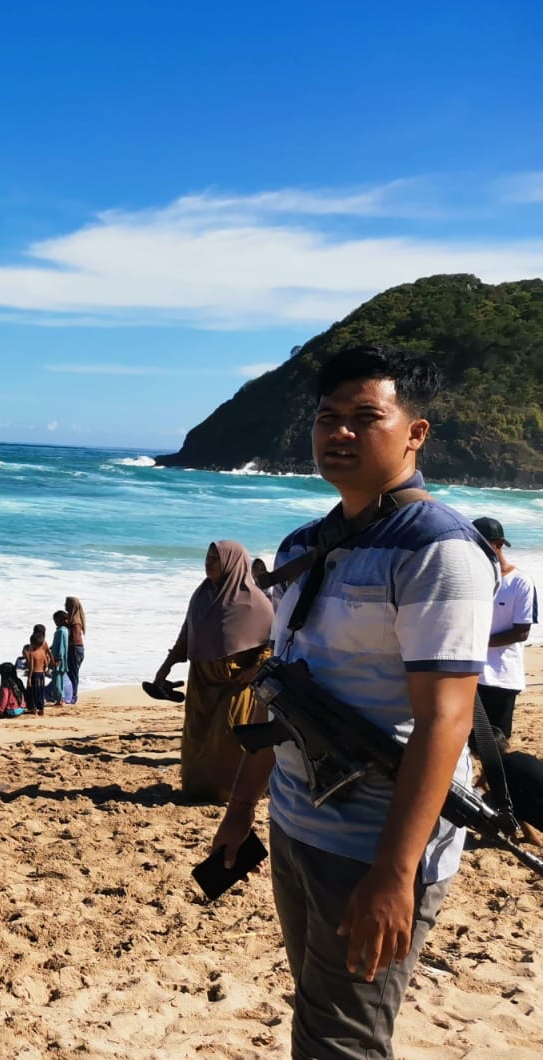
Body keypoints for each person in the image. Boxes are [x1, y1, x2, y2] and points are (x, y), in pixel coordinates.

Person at [211, 346, 498, 1060]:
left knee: (340, 1042)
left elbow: (445, 719)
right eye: (327, 417)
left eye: (365, 417)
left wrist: (395, 875)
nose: (339, 432)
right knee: (319, 1018)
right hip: (296, 823)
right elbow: (282, 692)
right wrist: (242, 810)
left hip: (375, 845)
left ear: (415, 433)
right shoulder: (305, 544)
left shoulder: (439, 551)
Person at [151, 541, 273, 803]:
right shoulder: (201, 595)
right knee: (197, 738)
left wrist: (255, 669)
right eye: (208, 557)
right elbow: (188, 633)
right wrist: (167, 665)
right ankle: (198, 790)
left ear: (232, 562)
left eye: (216, 558)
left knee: (227, 738)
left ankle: (229, 792)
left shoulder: (256, 602)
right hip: (201, 680)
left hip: (235, 683)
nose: (209, 562)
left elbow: (271, 644)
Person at [471, 517, 534, 740]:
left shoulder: (520, 582)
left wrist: (479, 643)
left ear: (498, 544)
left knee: (497, 743)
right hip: (470, 673)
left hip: (501, 676)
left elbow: (522, 631)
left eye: (478, 544)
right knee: (467, 741)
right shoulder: (472, 579)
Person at [22, 625, 52, 714]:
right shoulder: (43, 649)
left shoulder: (32, 654)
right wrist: (45, 670)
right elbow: (46, 662)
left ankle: (33, 708)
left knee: (33, 692)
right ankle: (41, 708)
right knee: (40, 691)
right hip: (41, 674)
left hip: (34, 674)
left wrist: (29, 678)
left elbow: (31, 667)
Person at [64, 596, 87, 700]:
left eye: (66, 603)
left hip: (75, 649)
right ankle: (70, 694)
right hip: (76, 649)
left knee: (73, 673)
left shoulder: (75, 621)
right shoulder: (73, 618)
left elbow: (75, 638)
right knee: (71, 673)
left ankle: (73, 695)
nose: (65, 605)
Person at [51, 611, 72, 705]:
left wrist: (58, 658)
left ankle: (59, 700)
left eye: (56, 620)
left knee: (57, 680)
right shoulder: (65, 630)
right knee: (60, 679)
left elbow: (61, 646)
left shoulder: (60, 631)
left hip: (58, 659)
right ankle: (61, 698)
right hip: (63, 658)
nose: (55, 622)